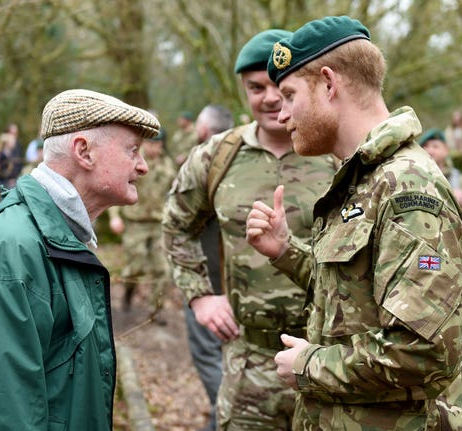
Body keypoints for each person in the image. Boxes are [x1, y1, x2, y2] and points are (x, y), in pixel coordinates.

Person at [245, 16, 462, 430]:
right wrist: (286, 251)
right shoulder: (362, 179)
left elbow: (427, 351)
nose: (281, 115)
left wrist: (309, 364)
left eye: (290, 95)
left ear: (329, 84)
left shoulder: (405, 189)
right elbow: (355, 299)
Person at [0, 88, 160, 430]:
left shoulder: (55, 238)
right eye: (133, 150)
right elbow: (2, 417)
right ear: (83, 152)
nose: (143, 166)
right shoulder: (12, 253)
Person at [162, 29, 337, 430]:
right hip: (248, 362)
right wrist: (200, 296)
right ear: (244, 90)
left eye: (279, 85)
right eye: (256, 87)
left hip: (328, 359)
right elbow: (176, 223)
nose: (271, 98)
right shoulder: (217, 156)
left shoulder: (336, 154)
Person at [183, 103, 234, 431]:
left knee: (210, 358)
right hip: (249, 284)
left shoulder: (201, 164)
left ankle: (229, 416)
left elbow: (179, 224)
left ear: (203, 131)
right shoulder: (248, 159)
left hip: (210, 282)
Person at [108, 129, 176, 315]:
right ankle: (128, 294)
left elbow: (173, 193)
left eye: (159, 144)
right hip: (135, 222)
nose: (155, 148)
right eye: (152, 144)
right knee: (135, 267)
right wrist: (115, 216)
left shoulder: (167, 164)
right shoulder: (134, 162)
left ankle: (156, 311)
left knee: (162, 270)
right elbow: (118, 187)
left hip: (158, 223)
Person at [419, 128, 462, 219]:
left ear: (446, 150)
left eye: (435, 146)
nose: (430, 151)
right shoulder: (416, 178)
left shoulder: (460, 180)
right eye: (426, 146)